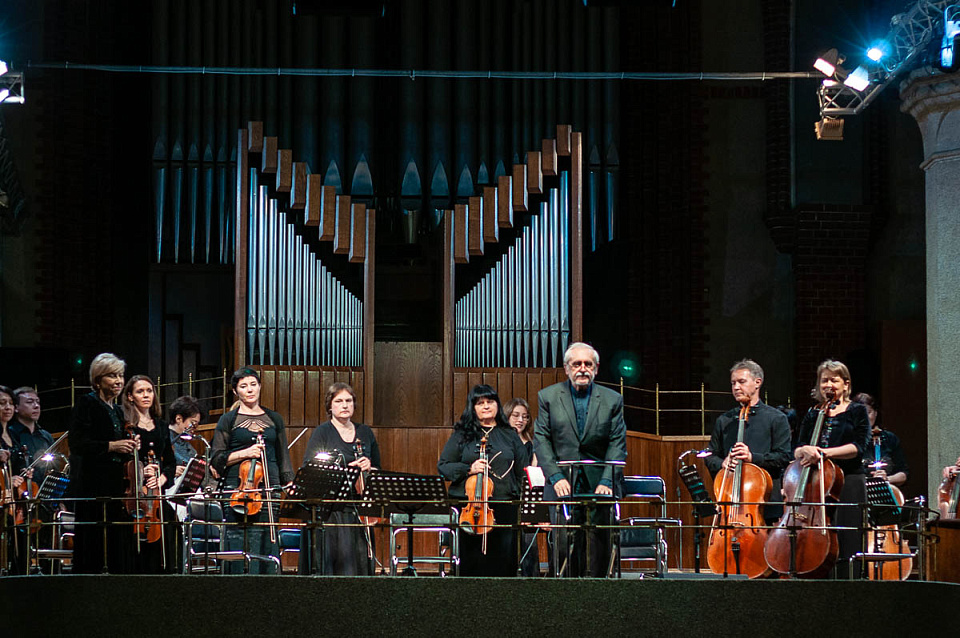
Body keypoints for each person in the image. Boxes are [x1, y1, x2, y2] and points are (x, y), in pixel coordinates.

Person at [534, 342, 628, 577]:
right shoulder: (548, 397)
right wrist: (555, 476)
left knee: (600, 543)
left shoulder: (613, 400)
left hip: (601, 482)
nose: (582, 369)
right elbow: (542, 441)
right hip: (562, 480)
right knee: (564, 544)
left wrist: (607, 481)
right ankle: (565, 596)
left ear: (596, 368)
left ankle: (600, 594)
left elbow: (617, 444)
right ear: (567, 368)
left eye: (588, 364)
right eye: (577, 364)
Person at [210, 367, 294, 574]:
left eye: (253, 384)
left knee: (267, 539)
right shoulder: (228, 419)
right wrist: (246, 452)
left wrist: (288, 483)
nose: (250, 390)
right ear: (235, 391)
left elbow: (283, 456)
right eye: (243, 386)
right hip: (237, 488)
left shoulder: (275, 418)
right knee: (239, 540)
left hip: (268, 487)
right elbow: (217, 459)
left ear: (260, 386)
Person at [439, 384, 529, 577]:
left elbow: (524, 471)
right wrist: (468, 469)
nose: (486, 406)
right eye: (480, 403)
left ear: (497, 405)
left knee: (503, 563)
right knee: (472, 562)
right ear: (473, 408)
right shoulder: (462, 435)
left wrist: (527, 504)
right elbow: (444, 466)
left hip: (504, 506)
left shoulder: (510, 435)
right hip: (470, 509)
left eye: (490, 402)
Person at [793, 359, 870, 578]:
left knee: (847, 537)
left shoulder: (856, 411)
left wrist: (825, 453)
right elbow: (797, 448)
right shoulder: (813, 413)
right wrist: (805, 451)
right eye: (824, 380)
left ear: (846, 384)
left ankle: (847, 582)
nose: (828, 385)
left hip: (848, 481)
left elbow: (858, 447)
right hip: (815, 481)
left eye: (834, 380)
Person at [299, 382, 381, 575]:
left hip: (359, 508)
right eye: (339, 401)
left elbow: (378, 468)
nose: (345, 405)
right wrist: (341, 468)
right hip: (331, 509)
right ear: (330, 406)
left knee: (359, 565)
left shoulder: (365, 432)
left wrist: (370, 467)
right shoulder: (322, 432)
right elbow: (308, 467)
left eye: (349, 401)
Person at [67, 353, 137, 574]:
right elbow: (78, 443)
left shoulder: (117, 410)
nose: (118, 381)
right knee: (95, 538)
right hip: (93, 482)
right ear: (98, 380)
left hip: (116, 482)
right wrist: (112, 446)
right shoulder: (87, 403)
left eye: (120, 376)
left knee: (116, 537)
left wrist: (131, 444)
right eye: (111, 376)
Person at [704, 359, 792, 523]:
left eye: (741, 382)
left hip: (765, 501)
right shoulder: (725, 420)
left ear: (757, 382)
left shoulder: (776, 418)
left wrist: (753, 458)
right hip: (731, 498)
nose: (736, 387)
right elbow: (709, 455)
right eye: (733, 383)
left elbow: (784, 457)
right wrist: (722, 462)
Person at [121, 375, 179, 573]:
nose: (146, 395)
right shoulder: (126, 425)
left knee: (170, 523)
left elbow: (171, 462)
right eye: (140, 391)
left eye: (149, 390)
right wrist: (139, 470)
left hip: (157, 493)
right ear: (130, 397)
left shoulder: (161, 426)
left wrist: (161, 478)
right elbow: (122, 461)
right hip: (136, 494)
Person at [504, 396, 540, 576]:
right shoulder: (502, 441)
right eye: (516, 415)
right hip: (509, 496)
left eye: (525, 416)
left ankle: (531, 582)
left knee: (529, 543)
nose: (521, 420)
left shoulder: (533, 444)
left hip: (528, 496)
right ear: (507, 415)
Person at [852, 393, 908, 488]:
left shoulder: (890, 439)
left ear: (875, 413)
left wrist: (887, 479)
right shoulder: (848, 440)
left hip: (885, 491)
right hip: (858, 492)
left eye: (868, 412)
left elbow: (903, 474)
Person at [1, 385, 29, 574]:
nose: (8, 407)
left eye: (11, 403)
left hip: (14, 501)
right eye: (2, 403)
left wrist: (25, 473)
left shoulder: (14, 435)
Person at [9, 387, 55, 482]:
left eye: (38, 402)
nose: (36, 406)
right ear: (16, 407)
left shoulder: (45, 436)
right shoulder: (9, 435)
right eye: (29, 402)